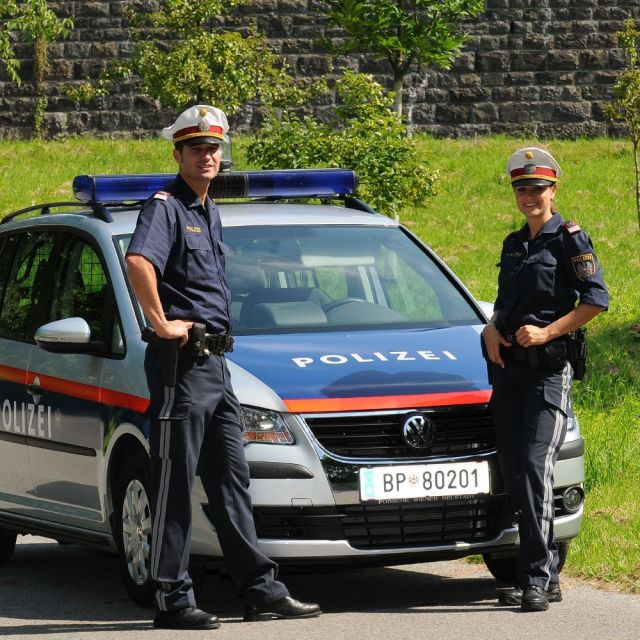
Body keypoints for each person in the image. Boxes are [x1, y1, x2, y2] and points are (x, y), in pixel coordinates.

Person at [125, 105, 321, 630]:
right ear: (178, 154)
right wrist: (161, 321)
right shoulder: (165, 207)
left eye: (214, 148)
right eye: (197, 149)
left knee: (232, 479)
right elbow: (139, 261)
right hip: (181, 365)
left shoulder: (207, 208)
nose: (208, 156)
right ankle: (171, 594)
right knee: (173, 482)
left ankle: (259, 589)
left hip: (216, 366)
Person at [481, 147, 609, 612]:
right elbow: (504, 304)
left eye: (537, 188)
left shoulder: (569, 239)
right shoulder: (514, 243)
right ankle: (541, 576)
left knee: (536, 469)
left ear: (554, 189)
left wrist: (549, 331)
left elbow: (596, 300)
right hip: (508, 375)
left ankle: (536, 577)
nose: (529, 196)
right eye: (521, 189)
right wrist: (491, 327)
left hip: (549, 375)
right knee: (515, 474)